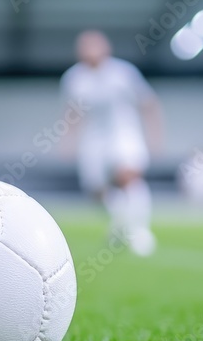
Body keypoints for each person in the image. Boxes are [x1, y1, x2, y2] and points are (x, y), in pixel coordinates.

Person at [61, 30, 164, 256]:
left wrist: (154, 135)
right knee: (97, 191)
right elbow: (72, 113)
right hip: (93, 139)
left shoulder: (123, 72)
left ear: (106, 48)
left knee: (129, 176)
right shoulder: (73, 78)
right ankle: (120, 222)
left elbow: (148, 103)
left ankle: (140, 231)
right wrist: (68, 140)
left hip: (124, 132)